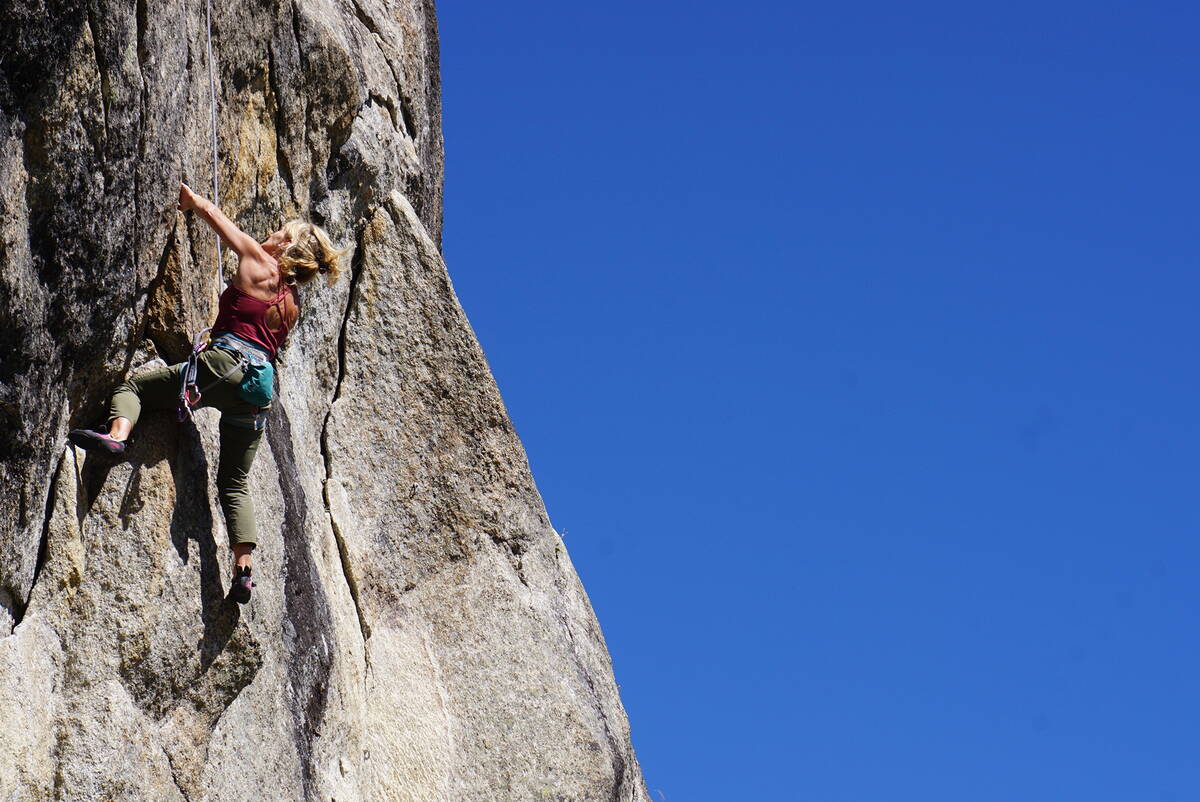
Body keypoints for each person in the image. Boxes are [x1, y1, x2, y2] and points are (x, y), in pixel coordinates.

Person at [69, 182, 345, 603]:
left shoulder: (260, 261)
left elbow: (220, 222)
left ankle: (117, 437)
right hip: (257, 392)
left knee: (135, 386)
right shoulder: (292, 305)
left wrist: (191, 200)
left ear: (286, 245)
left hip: (223, 367)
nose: (270, 234)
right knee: (234, 481)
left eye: (278, 232)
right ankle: (243, 570)